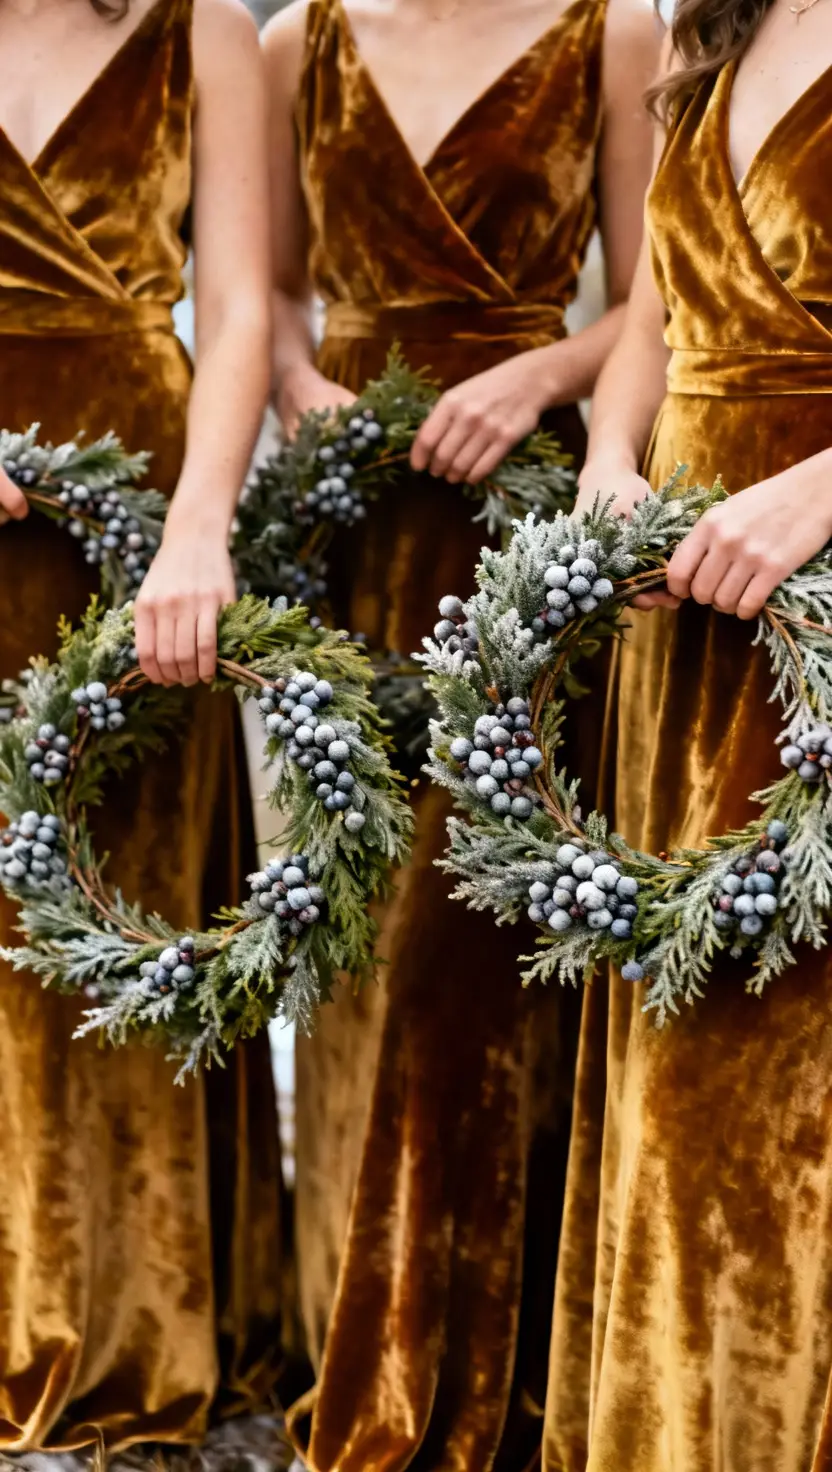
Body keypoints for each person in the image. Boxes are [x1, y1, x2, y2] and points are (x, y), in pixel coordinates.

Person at [262, 0, 659, 1465]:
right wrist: (308, 397)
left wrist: (540, 372)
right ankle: (344, 1322)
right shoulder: (295, 41)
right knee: (355, 935)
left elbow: (654, 289)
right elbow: (276, 295)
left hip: (520, 529)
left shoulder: (612, 30)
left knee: (478, 946)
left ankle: (466, 1358)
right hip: (356, 532)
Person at [545, 6, 832, 1469]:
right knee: (688, 1047)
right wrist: (608, 459)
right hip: (682, 616)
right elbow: (658, 309)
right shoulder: (706, 16)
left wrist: (824, 485)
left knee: (791, 1091)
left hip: (819, 604)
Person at [0, 0, 286, 1455]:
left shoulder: (204, 31)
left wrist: (196, 529)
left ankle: (149, 1326)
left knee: (129, 918)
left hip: (139, 535)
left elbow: (236, 306)